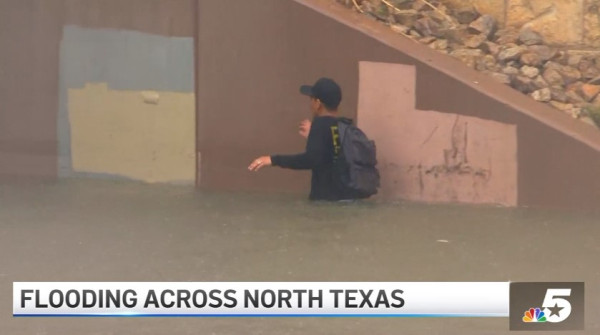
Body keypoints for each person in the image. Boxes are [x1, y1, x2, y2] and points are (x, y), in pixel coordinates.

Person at [248, 77, 354, 201]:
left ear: (318, 103)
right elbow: (333, 154)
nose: (310, 104)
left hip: (325, 202)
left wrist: (272, 160)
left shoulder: (320, 126)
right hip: (346, 198)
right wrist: (312, 137)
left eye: (311, 99)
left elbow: (310, 160)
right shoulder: (345, 126)